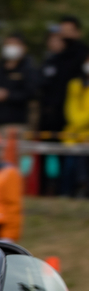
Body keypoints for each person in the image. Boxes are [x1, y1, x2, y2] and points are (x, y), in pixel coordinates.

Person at [0, 34, 38, 136]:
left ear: (23, 47)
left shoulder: (28, 68)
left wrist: (8, 95)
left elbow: (32, 93)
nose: (11, 47)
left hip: (16, 124)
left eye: (14, 44)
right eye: (8, 44)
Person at [38, 31, 67, 195]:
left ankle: (59, 189)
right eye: (52, 40)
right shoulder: (46, 62)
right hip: (45, 117)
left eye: (58, 40)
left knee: (60, 155)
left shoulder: (67, 63)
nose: (54, 43)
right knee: (43, 154)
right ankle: (43, 188)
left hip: (61, 118)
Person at [61, 55, 89, 197]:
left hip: (85, 136)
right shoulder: (74, 84)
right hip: (74, 134)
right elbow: (70, 110)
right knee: (69, 165)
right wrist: (81, 123)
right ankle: (66, 193)